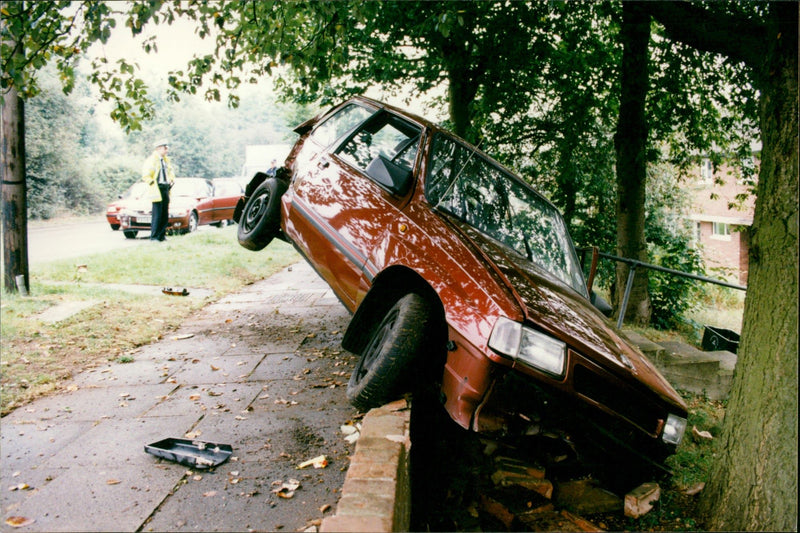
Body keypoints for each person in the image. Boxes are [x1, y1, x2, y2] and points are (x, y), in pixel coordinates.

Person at [142, 139, 176, 241]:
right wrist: (151, 182)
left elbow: (170, 172)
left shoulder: (165, 160)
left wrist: (171, 180)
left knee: (164, 213)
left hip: (166, 187)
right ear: (159, 148)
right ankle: (154, 236)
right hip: (157, 188)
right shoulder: (152, 160)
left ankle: (162, 235)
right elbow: (146, 174)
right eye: (165, 148)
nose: (167, 150)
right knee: (157, 214)